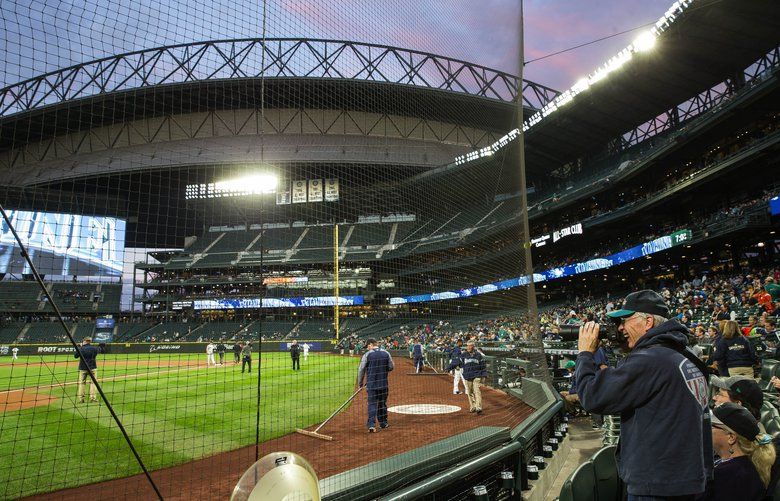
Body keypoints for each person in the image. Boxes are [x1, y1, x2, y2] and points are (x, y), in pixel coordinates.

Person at [576, 290, 712, 499]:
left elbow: (592, 397)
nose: (620, 328)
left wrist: (585, 353)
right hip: (685, 480)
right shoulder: (683, 355)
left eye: (625, 320)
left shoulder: (651, 359)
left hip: (657, 485)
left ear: (648, 322)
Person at [697, 402, 775, 500]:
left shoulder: (733, 475)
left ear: (731, 437)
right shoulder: (737, 464)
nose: (704, 428)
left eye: (711, 425)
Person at [356, 338, 394, 433]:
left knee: (372, 404)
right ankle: (383, 423)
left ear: (371, 345)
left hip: (372, 385)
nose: (367, 348)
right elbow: (391, 367)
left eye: (367, 346)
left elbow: (361, 370)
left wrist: (360, 383)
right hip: (383, 384)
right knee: (382, 404)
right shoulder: (386, 353)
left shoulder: (367, 355)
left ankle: (372, 425)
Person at [462, 341, 487, 415]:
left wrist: (484, 375)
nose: (468, 347)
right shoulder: (464, 355)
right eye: (467, 346)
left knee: (477, 390)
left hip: (477, 375)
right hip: (468, 376)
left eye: (470, 346)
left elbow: (483, 366)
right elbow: (457, 362)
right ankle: (472, 406)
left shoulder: (478, 355)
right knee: (469, 392)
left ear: (473, 347)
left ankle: (478, 407)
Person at [74, 337, 102, 404]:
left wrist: (80, 347)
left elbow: (75, 356)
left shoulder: (81, 348)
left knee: (82, 384)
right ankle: (93, 398)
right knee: (93, 383)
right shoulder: (94, 348)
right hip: (92, 368)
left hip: (83, 368)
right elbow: (97, 353)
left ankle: (81, 399)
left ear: (84, 341)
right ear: (90, 341)